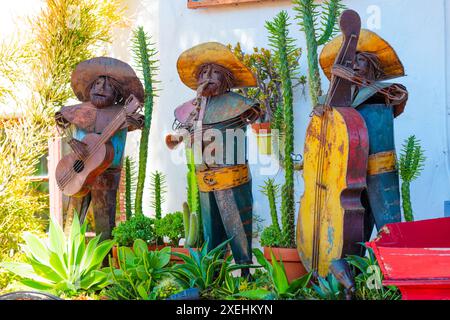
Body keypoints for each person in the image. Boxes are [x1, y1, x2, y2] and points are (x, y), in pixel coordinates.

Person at [318, 29, 408, 294]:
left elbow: (399, 97)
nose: (355, 64)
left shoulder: (386, 90)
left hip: (380, 171)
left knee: (389, 224)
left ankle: (399, 280)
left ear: (373, 67)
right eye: (351, 61)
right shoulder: (337, 102)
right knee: (355, 229)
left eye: (361, 60)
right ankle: (354, 282)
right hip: (349, 176)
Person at [166, 42, 261, 277]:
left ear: (226, 78)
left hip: (231, 178)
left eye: (215, 72)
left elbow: (258, 114)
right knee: (212, 231)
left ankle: (245, 275)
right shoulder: (193, 108)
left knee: (238, 227)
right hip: (205, 178)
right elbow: (185, 132)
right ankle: (213, 276)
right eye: (204, 73)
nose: (208, 77)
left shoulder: (239, 104)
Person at [55, 57, 144, 241]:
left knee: (105, 224)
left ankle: (106, 265)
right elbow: (61, 121)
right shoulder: (78, 110)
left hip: (107, 173)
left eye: (108, 86)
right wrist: (72, 141)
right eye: (96, 84)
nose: (101, 89)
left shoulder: (122, 113)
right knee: (73, 221)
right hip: (77, 170)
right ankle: (69, 262)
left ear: (118, 92)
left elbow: (139, 121)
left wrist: (130, 121)